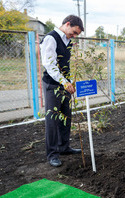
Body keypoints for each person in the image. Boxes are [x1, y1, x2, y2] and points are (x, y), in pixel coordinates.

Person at [40, 15, 84, 167]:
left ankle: (63, 147)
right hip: (53, 85)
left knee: (66, 116)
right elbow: (50, 65)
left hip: (64, 84)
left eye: (76, 34)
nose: (74, 36)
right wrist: (64, 82)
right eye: (74, 32)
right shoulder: (50, 39)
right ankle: (52, 154)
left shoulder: (67, 41)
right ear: (67, 24)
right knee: (52, 119)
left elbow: (64, 65)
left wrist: (70, 81)